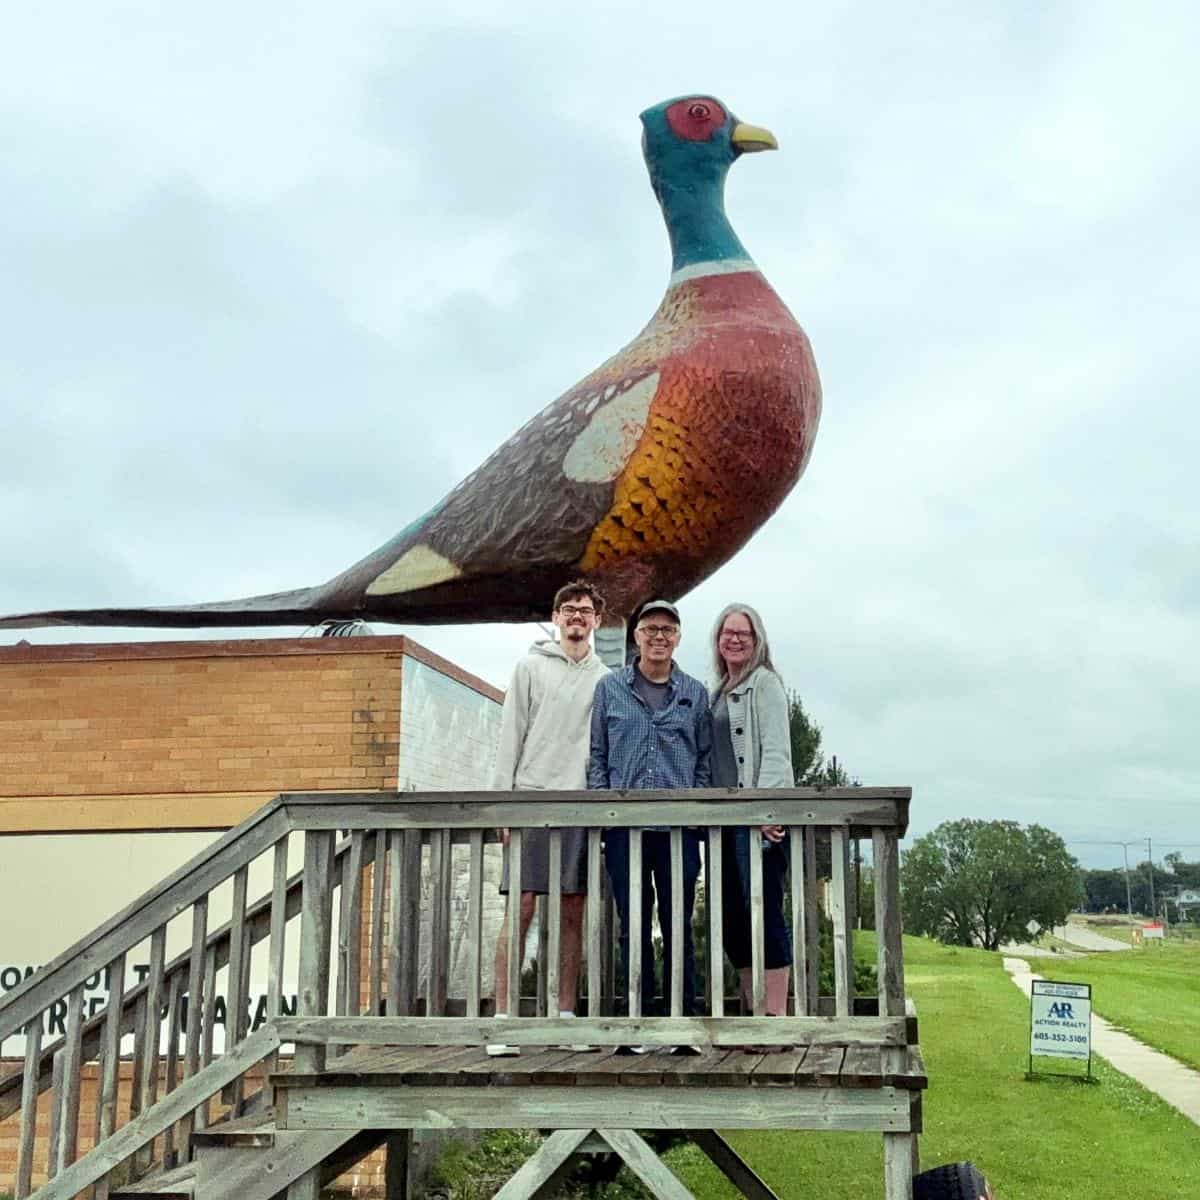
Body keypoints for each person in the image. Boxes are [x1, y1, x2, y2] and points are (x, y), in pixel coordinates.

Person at [490, 580, 610, 1051]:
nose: (577, 616)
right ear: (556, 617)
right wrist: (502, 802)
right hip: (530, 798)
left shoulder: (606, 678)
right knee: (520, 908)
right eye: (568, 609)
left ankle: (565, 1016)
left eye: (585, 610)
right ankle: (503, 1018)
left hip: (578, 803)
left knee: (572, 913)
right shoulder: (528, 668)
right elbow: (509, 735)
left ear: (597, 621)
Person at [588, 600, 713, 1019]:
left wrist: (694, 817)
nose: (659, 636)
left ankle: (683, 1019)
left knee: (678, 923)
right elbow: (598, 758)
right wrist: (605, 819)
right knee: (633, 925)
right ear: (636, 636)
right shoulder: (609, 689)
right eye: (650, 628)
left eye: (668, 629)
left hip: (678, 831)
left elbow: (704, 762)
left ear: (677, 638)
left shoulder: (695, 693)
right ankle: (636, 1019)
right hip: (625, 830)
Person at [709, 603, 794, 1019]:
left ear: (757, 640)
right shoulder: (718, 691)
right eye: (728, 632)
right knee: (734, 920)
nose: (735, 639)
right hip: (724, 825)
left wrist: (768, 810)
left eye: (744, 633)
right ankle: (754, 1011)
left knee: (765, 913)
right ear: (718, 640)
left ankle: (774, 1019)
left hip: (760, 823)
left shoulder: (765, 684)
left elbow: (777, 751)